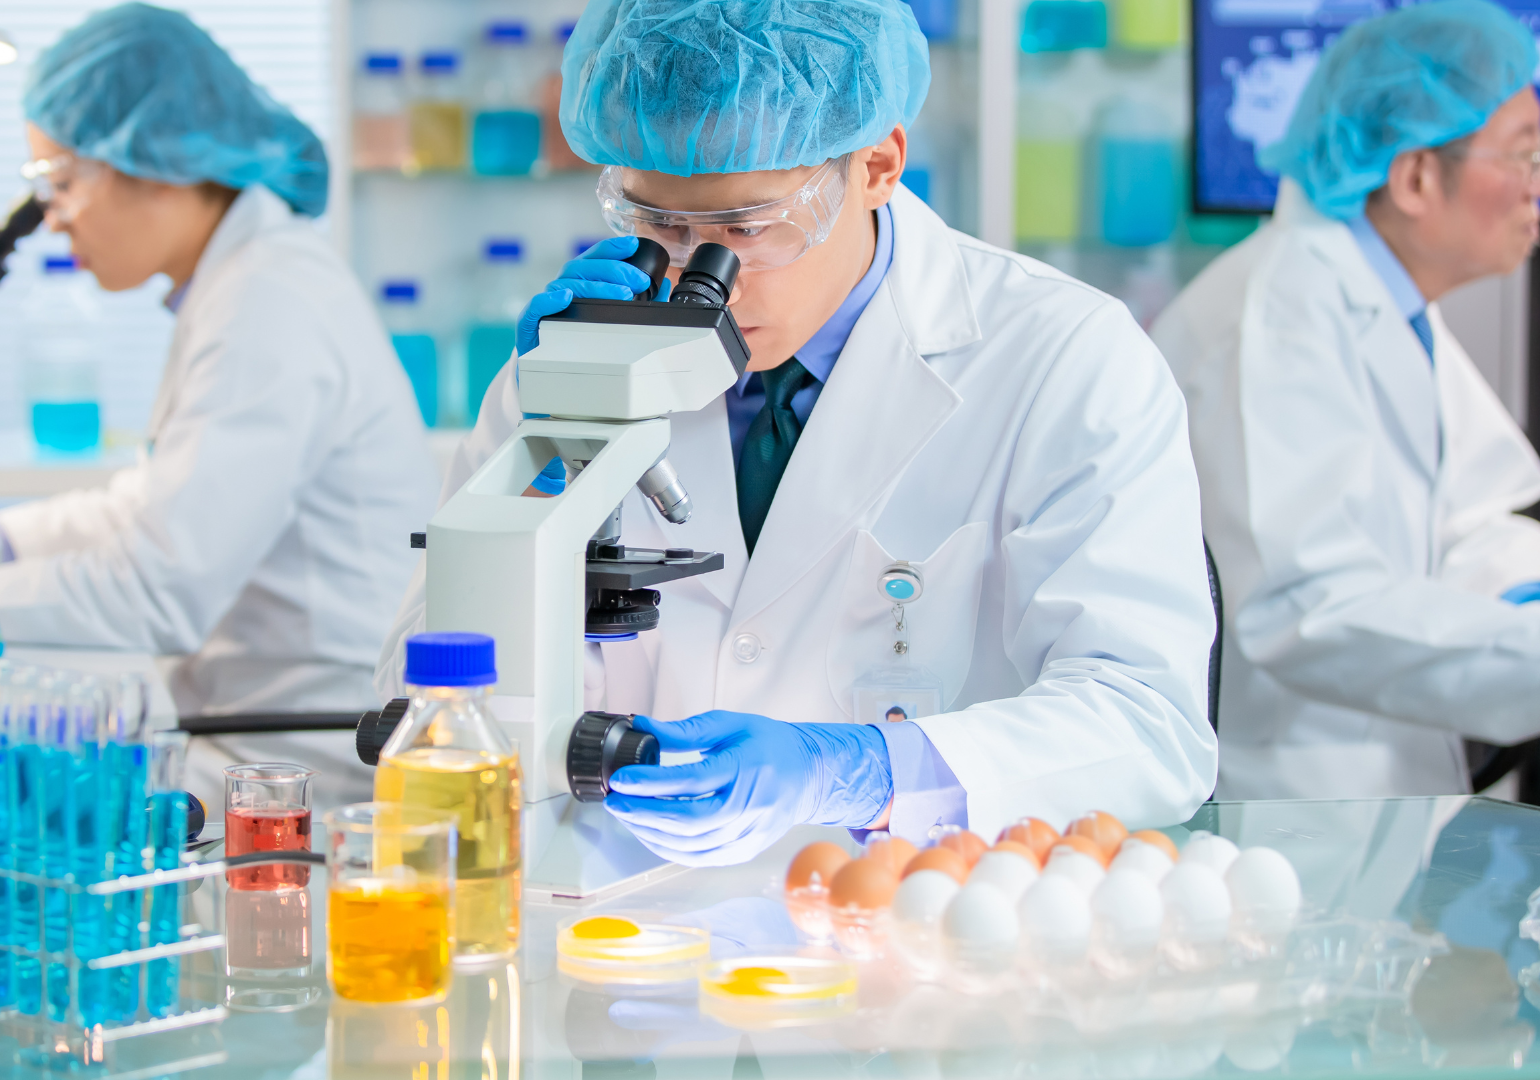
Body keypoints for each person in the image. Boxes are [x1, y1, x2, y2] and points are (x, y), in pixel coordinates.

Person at [379, 0, 1216, 866]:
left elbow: (1147, 723)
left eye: (749, 229)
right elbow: (415, 699)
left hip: (917, 925)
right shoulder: (579, 362)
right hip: (618, 930)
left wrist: (861, 773)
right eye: (661, 225)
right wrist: (550, 461)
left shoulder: (1062, 356)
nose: (710, 281)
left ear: (879, 164)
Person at [0, 4, 438, 808]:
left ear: (151, 158)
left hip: (310, 767)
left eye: (60, 181)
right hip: (252, 727)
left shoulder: (269, 297)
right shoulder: (241, 280)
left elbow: (159, 589)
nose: (50, 217)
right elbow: (157, 502)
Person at [1150, 0, 1540, 800]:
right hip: (1289, 806)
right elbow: (1306, 612)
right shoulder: (1280, 314)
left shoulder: (1381, 301)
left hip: (1378, 791)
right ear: (1416, 176)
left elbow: (1465, 518)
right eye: (1525, 154)